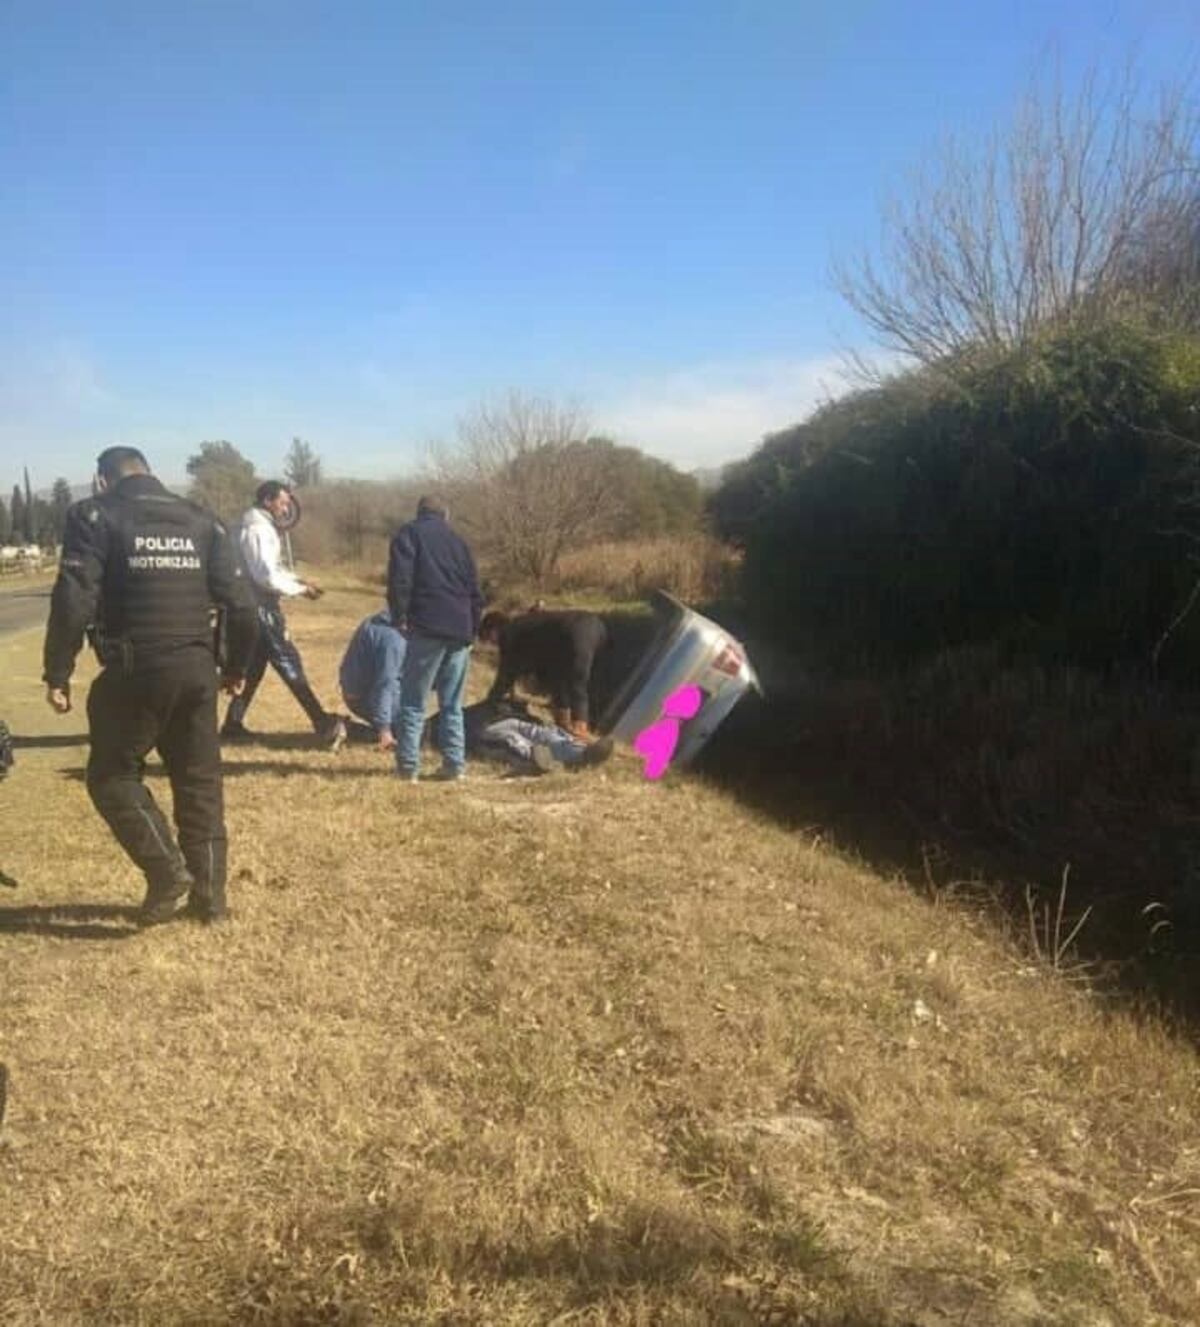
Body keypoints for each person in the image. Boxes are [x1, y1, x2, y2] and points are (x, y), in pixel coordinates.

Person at [42, 445, 258, 924]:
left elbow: (75, 599)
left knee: (111, 776)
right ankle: (211, 902)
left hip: (135, 667)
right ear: (151, 473)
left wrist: (58, 671)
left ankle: (166, 872)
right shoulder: (203, 520)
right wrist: (236, 666)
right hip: (198, 669)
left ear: (102, 480)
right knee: (199, 784)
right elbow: (242, 606)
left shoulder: (96, 515)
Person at [220, 480, 346, 750]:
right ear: (267, 501)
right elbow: (265, 575)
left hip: (257, 605)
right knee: (289, 663)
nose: (286, 507)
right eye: (282, 502)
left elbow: (272, 569)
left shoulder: (258, 526)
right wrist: (299, 589)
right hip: (260, 608)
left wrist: (298, 580)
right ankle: (322, 723)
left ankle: (233, 723)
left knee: (254, 667)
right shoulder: (257, 529)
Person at [387, 495, 482, 782]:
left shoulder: (409, 534)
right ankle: (454, 765)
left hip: (427, 624)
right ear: (446, 515)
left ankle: (408, 767)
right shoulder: (459, 542)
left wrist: (399, 616)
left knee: (414, 700)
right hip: (460, 628)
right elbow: (476, 591)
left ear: (419, 513)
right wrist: (471, 628)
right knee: (452, 703)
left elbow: (400, 579)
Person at [479, 608, 609, 737]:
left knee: (577, 682)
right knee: (562, 676)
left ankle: (580, 733)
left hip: (577, 631)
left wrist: (490, 702)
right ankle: (565, 726)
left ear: (494, 629)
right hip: (597, 628)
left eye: (488, 638)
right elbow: (554, 677)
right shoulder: (531, 627)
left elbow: (506, 675)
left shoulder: (510, 632)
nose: (492, 644)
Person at [427, 697, 615, 775]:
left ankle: (578, 753)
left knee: (540, 733)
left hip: (499, 718)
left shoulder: (436, 721)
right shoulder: (433, 727)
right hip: (485, 732)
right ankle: (545, 759)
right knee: (514, 742)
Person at [338, 610, 406, 750]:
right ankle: (359, 731)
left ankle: (352, 729)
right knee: (415, 731)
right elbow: (385, 683)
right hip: (368, 695)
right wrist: (384, 731)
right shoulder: (393, 639)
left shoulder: (384, 621)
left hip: (359, 692)